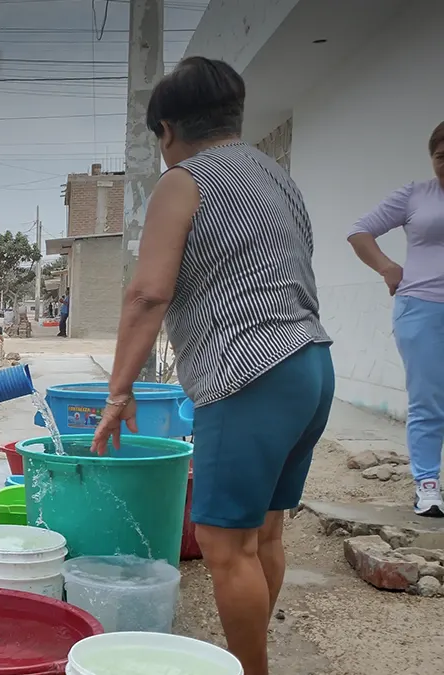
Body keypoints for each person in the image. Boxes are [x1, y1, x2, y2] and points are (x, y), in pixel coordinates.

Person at [89, 57, 334, 675]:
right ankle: (251, 659)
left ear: (166, 129)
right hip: (309, 367)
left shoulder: (184, 180)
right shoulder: (275, 177)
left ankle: (250, 670)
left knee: (227, 549)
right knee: (265, 537)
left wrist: (119, 392)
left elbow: (147, 293)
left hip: (247, 371)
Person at [347, 121, 444, 517]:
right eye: (441, 157)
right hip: (421, 307)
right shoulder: (416, 194)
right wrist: (388, 267)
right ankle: (428, 485)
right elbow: (360, 231)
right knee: (429, 400)